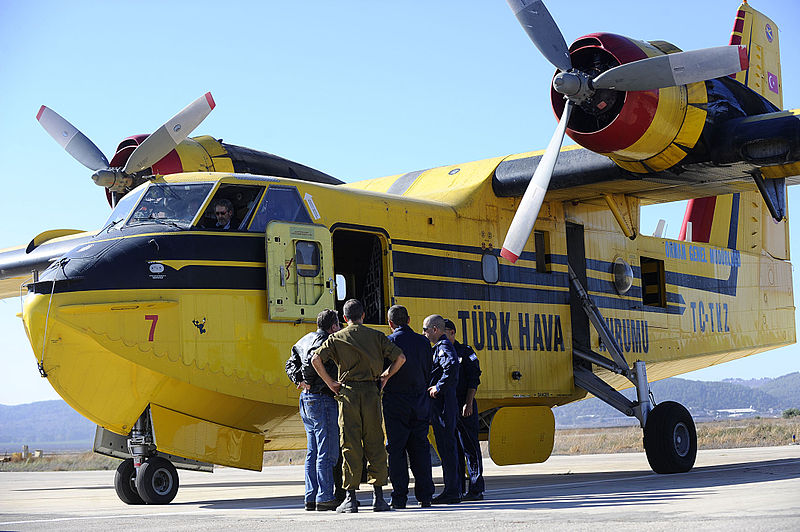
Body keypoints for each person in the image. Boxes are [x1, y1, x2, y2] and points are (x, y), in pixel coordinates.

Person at [311, 299, 406, 513]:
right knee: (375, 442)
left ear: (345, 319)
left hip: (348, 394)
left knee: (350, 444)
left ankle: (351, 499)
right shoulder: (377, 336)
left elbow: (315, 359)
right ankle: (379, 497)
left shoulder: (336, 338)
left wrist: (330, 383)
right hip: (372, 393)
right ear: (363, 316)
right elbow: (400, 357)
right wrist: (386, 376)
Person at [285, 309, 342, 511]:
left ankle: (311, 496)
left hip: (307, 400)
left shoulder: (304, 339)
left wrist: (299, 381)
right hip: (322, 398)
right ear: (333, 326)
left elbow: (290, 363)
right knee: (326, 451)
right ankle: (325, 496)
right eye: (338, 325)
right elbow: (312, 360)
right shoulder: (324, 341)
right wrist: (314, 380)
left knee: (313, 451)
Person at [383, 305, 435, 509]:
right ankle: (425, 496)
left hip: (396, 402)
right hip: (420, 401)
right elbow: (430, 370)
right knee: (420, 449)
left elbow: (384, 372)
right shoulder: (424, 342)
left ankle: (399, 497)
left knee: (396, 451)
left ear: (390, 323)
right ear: (409, 320)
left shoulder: (388, 342)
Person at [444, 319, 485, 501]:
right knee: (454, 449)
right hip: (448, 407)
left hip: (464, 405)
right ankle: (457, 489)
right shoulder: (438, 352)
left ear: (452, 332)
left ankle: (476, 489)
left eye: (444, 332)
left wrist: (468, 403)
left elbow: (474, 378)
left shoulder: (465, 352)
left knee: (470, 447)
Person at [422, 314, 461, 504]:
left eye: (425, 329)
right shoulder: (440, 347)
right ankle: (453, 489)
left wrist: (439, 386)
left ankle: (452, 491)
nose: (424, 333)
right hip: (442, 406)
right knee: (447, 448)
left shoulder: (443, 347)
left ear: (435, 330)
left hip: (444, 406)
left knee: (447, 448)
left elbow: (452, 366)